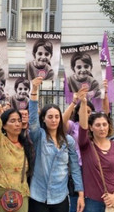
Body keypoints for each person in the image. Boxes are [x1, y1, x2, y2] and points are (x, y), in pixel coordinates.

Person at [28, 77, 84, 212]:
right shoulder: (39, 136)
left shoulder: (68, 140)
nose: (54, 120)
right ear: (44, 119)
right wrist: (34, 90)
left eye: (57, 117)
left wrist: (80, 193)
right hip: (38, 196)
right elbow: (33, 120)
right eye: (50, 117)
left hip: (60, 197)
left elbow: (75, 168)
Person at [0, 78, 35, 212]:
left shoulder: (26, 144)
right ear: (4, 125)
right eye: (12, 121)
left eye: (19, 120)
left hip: (20, 196)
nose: (17, 124)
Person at [78, 99, 114, 212]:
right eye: (98, 125)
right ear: (91, 128)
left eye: (104, 124)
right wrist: (84, 102)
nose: (102, 128)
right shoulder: (86, 146)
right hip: (92, 202)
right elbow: (82, 127)